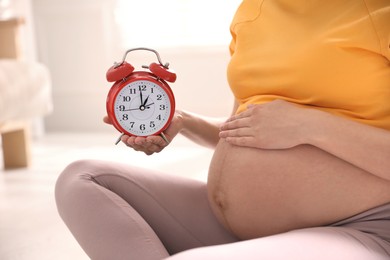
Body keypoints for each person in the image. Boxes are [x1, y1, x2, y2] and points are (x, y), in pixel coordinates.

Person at [55, 0, 390, 259]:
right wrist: (183, 122)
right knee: (81, 180)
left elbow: (286, 128)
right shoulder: (254, 11)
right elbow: (246, 129)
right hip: (232, 225)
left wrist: (310, 126)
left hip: (360, 226)